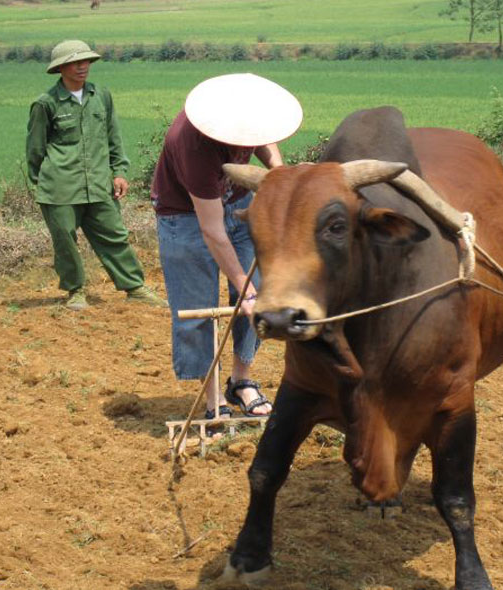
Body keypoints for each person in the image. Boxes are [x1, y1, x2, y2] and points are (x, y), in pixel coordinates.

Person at [151, 73, 303, 420]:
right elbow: (213, 230)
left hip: (237, 203)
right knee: (198, 309)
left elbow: (263, 141)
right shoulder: (193, 145)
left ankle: (241, 380)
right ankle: (213, 396)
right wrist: (243, 287)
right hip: (186, 218)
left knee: (261, 293)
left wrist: (278, 173)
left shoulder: (250, 124)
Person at [26, 39, 167, 311]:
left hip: (100, 184)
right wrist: (42, 186)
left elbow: (114, 137)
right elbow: (35, 150)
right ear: (61, 68)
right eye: (76, 62)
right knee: (65, 240)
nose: (83, 67)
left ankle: (134, 287)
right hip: (60, 187)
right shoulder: (45, 104)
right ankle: (75, 291)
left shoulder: (101, 96)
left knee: (114, 234)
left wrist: (120, 172)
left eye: (86, 61)